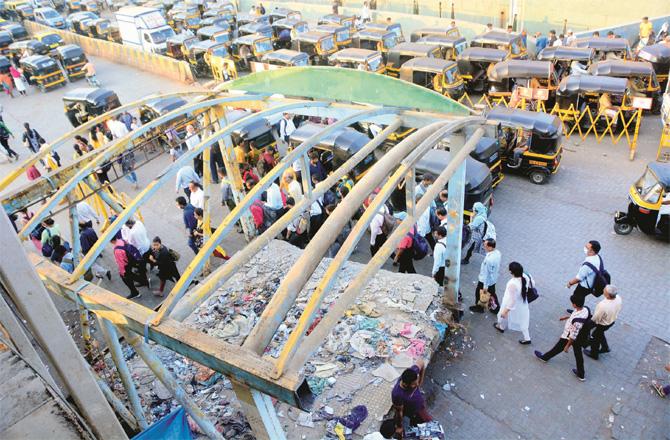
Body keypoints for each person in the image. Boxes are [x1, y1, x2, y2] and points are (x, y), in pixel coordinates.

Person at [534, 294, 589, 381]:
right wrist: (567, 317)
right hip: (578, 337)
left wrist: (567, 346)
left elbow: (573, 335)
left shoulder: (577, 321)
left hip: (569, 337)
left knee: (558, 348)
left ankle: (544, 358)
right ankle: (581, 374)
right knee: (578, 355)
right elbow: (576, 316)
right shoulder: (585, 309)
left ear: (574, 304)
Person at [493, 261, 531, 344]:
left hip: (510, 303)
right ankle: (527, 338)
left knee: (503, 315)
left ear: (511, 272)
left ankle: (501, 327)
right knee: (523, 320)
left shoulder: (512, 284)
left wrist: (506, 311)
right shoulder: (525, 277)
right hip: (521, 302)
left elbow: (512, 300)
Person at [392, 359, 432, 437]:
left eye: (416, 381)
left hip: (420, 406)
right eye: (414, 384)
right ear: (405, 384)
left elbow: (421, 362)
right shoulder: (397, 394)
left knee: (427, 422)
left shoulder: (412, 373)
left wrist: (420, 381)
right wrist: (399, 426)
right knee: (420, 424)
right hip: (411, 410)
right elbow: (399, 411)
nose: (416, 384)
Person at [584, 284, 622, 360]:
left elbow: (595, 319)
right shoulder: (618, 298)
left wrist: (588, 326)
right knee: (600, 334)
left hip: (602, 324)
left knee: (595, 338)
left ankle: (594, 354)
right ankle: (605, 348)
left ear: (608, 295)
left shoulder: (603, 306)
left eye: (604, 290)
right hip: (611, 321)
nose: (603, 290)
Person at [470, 238, 501, 313]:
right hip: (493, 279)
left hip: (485, 281)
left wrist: (485, 287)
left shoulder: (489, 259)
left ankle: (479, 307)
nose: (484, 247)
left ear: (490, 247)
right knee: (492, 293)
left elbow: (487, 273)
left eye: (485, 246)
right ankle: (496, 308)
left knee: (479, 293)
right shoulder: (497, 253)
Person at [566, 240, 602, 304]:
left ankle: (579, 310)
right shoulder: (598, 257)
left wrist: (570, 283)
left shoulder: (588, 265)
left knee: (577, 298)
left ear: (592, 251)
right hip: (592, 284)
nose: (585, 248)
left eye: (587, 248)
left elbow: (578, 278)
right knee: (581, 297)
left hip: (585, 286)